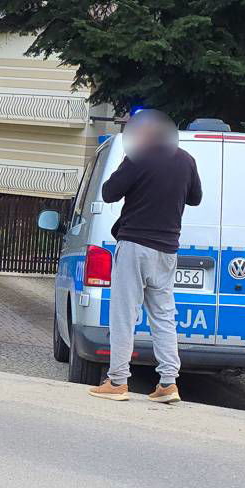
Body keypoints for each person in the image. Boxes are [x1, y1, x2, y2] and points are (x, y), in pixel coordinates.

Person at [88, 109, 202, 403]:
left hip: (135, 244)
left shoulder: (139, 158)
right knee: (164, 316)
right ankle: (167, 383)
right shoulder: (186, 161)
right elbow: (196, 198)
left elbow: (110, 192)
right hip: (167, 250)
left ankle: (117, 381)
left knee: (125, 314)